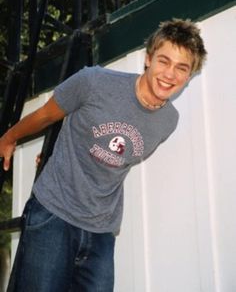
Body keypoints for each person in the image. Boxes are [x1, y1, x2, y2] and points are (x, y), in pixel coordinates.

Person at [0, 19, 207, 292]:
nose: (170, 74)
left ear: (189, 76)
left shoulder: (168, 121)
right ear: (148, 59)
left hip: (101, 231)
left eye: (181, 68)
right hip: (53, 213)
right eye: (164, 61)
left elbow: (116, 159)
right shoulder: (94, 82)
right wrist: (8, 138)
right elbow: (45, 116)